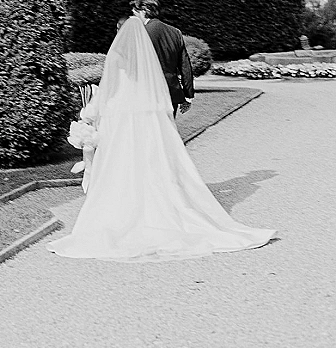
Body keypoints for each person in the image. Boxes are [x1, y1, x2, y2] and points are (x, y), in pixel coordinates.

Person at [48, 15, 277, 261]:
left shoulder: (116, 58)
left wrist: (88, 115)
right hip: (146, 120)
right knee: (152, 165)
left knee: (123, 168)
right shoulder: (148, 62)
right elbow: (157, 99)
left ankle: (126, 213)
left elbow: (107, 92)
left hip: (122, 122)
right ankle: (158, 212)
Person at [130, 0, 194, 116]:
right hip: (171, 92)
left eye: (135, 13)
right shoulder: (175, 32)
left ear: (144, 11)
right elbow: (185, 67)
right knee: (169, 131)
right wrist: (188, 95)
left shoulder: (140, 33)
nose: (134, 17)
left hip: (147, 93)